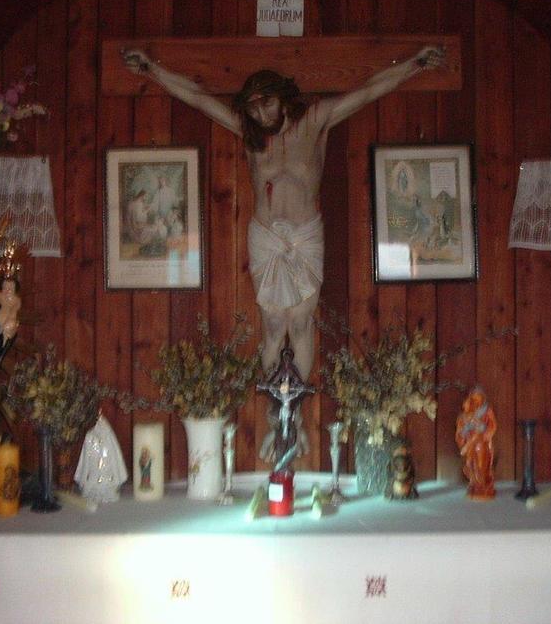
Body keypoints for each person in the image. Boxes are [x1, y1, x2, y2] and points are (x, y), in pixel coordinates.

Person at [122, 44, 445, 377]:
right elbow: (198, 98)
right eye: (253, 109)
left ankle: (296, 406)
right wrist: (151, 69)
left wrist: (416, 63)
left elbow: (367, 92)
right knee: (274, 323)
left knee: (301, 322)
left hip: (305, 232)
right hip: (266, 234)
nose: (261, 116)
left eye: (267, 104)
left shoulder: (316, 120)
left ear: (283, 98)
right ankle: (276, 404)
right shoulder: (249, 133)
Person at [455, 387, 497, 500]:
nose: (476, 402)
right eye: (474, 399)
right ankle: (474, 484)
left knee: (481, 464)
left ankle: (482, 485)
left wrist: (483, 429)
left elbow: (492, 426)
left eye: (479, 399)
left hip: (482, 443)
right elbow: (460, 429)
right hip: (470, 444)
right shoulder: (465, 415)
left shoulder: (487, 411)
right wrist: (464, 432)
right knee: (470, 464)